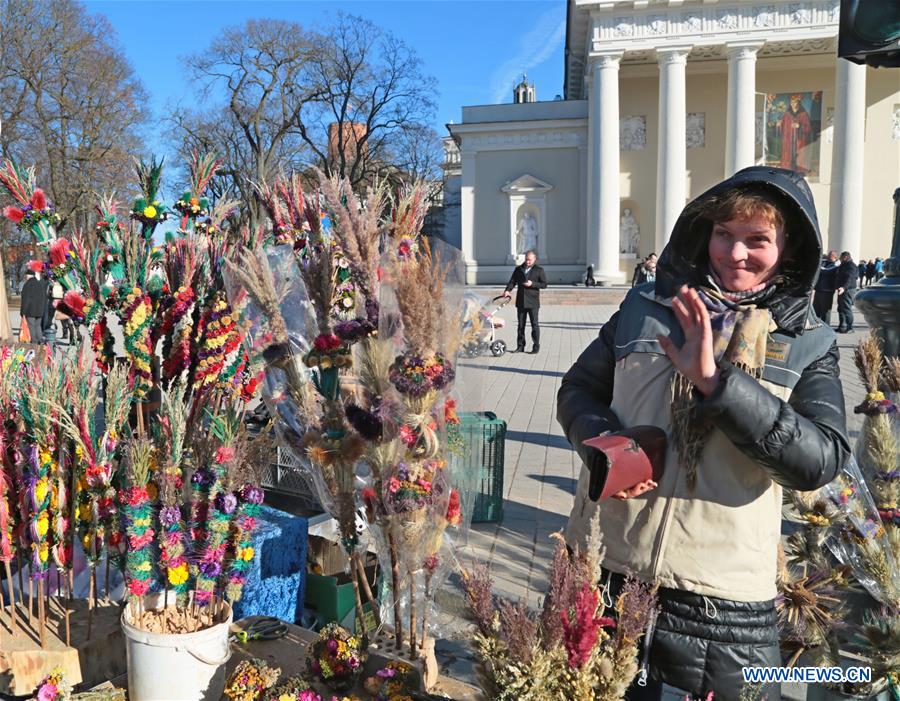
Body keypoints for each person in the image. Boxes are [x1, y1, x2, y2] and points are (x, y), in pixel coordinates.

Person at [558, 166, 849, 700]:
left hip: (720, 600)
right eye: (724, 234)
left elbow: (819, 461)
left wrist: (717, 385)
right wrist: (607, 448)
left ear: (788, 248)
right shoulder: (644, 309)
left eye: (757, 240)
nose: (735, 254)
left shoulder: (808, 341)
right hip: (607, 566)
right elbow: (577, 391)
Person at [503, 249, 547, 353]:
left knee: (534, 325)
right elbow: (512, 281)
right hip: (521, 301)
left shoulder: (539, 270)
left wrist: (533, 284)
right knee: (520, 325)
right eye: (526, 259)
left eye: (530, 260)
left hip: (533, 302)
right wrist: (507, 290)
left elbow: (544, 284)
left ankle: (535, 347)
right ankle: (520, 346)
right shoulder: (518, 269)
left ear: (534, 259)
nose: (528, 262)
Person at [19, 268, 48, 344]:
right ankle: (40, 341)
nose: (25, 277)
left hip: (30, 310)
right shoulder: (40, 284)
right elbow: (44, 297)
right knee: (38, 326)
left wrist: (22, 312)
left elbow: (26, 299)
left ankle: (34, 342)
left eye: (26, 275)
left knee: (31, 326)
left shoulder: (27, 285)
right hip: (40, 310)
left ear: (29, 275)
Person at [813, 250, 839, 325]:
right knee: (816, 309)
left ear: (834, 257)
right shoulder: (825, 262)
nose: (827, 256)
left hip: (827, 291)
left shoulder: (836, 265)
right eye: (828, 255)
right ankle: (816, 324)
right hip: (819, 289)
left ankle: (826, 325)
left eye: (830, 255)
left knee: (825, 311)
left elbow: (826, 271)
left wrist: (819, 266)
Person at [836, 250, 858, 333]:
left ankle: (850, 327)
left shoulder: (851, 266)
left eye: (841, 257)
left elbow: (849, 278)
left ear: (845, 257)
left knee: (846, 308)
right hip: (842, 289)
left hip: (848, 290)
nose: (840, 259)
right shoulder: (843, 265)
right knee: (840, 308)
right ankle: (842, 326)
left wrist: (843, 288)